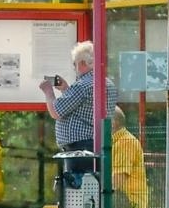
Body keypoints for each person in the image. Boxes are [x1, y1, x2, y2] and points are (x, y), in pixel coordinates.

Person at [40, 40, 118, 172]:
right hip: (96, 143)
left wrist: (48, 91)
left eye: (74, 64)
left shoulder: (82, 84)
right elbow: (83, 108)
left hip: (79, 148)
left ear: (82, 63)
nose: (74, 68)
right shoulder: (107, 83)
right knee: (92, 186)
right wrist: (66, 89)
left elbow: (56, 111)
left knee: (77, 187)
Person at [111, 107, 148, 208]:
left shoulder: (126, 142)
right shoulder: (115, 141)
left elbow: (117, 181)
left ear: (112, 123)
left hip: (131, 200)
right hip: (122, 197)